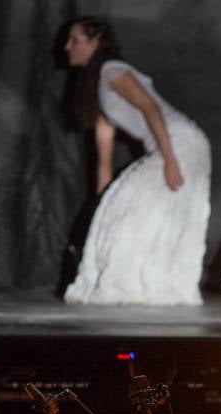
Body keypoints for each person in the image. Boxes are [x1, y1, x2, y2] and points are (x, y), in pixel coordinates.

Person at [62, 17, 211, 306]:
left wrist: (169, 160)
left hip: (181, 144)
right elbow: (103, 156)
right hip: (168, 147)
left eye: (75, 41)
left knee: (141, 212)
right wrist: (100, 208)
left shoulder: (112, 70)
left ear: (95, 43)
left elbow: (151, 108)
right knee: (118, 209)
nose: (67, 47)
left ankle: (150, 285)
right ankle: (138, 287)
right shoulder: (98, 88)